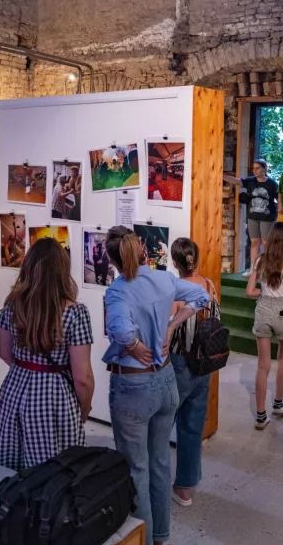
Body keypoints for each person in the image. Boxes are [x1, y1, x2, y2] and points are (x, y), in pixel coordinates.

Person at [102, 226, 209, 545]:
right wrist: (171, 326)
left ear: (115, 262)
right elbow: (202, 296)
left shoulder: (119, 290)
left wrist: (133, 344)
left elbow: (119, 330)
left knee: (137, 468)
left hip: (134, 386)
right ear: (143, 252)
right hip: (165, 382)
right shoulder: (163, 278)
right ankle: (161, 536)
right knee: (160, 462)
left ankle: (144, 539)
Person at [0, 238, 94, 471]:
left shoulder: (12, 306)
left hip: (14, 389)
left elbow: (4, 353)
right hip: (54, 395)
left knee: (13, 464)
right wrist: (85, 408)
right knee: (54, 471)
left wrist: (27, 369)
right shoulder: (75, 312)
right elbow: (82, 377)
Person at [166, 238, 219, 508]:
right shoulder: (209, 285)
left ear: (175, 263)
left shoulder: (176, 291)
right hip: (205, 364)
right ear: (196, 259)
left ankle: (156, 482)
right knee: (192, 427)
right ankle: (185, 489)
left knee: (162, 425)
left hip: (179, 364)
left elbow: (169, 328)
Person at [246, 222, 283, 429]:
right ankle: (278, 403)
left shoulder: (260, 260)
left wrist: (263, 293)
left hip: (263, 310)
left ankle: (260, 416)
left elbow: (250, 292)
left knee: (263, 364)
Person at [224, 159, 278, 278]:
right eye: (253, 168)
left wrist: (279, 214)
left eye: (257, 168)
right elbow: (236, 181)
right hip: (253, 217)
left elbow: (278, 199)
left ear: (264, 169)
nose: (255, 170)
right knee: (254, 242)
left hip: (267, 217)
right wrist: (222, 176)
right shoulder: (250, 181)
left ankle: (268, 269)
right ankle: (254, 269)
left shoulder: (272, 184)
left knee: (266, 243)